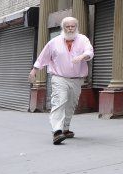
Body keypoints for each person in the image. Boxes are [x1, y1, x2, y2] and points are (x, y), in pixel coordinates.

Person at [28, 16, 94, 145]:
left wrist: (82, 56)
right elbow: (43, 57)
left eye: (72, 26)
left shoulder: (83, 39)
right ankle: (57, 132)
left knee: (71, 104)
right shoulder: (54, 42)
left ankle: (65, 128)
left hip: (76, 79)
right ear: (63, 28)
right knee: (59, 101)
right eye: (67, 26)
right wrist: (34, 71)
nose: (70, 29)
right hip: (59, 78)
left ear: (76, 27)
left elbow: (89, 52)